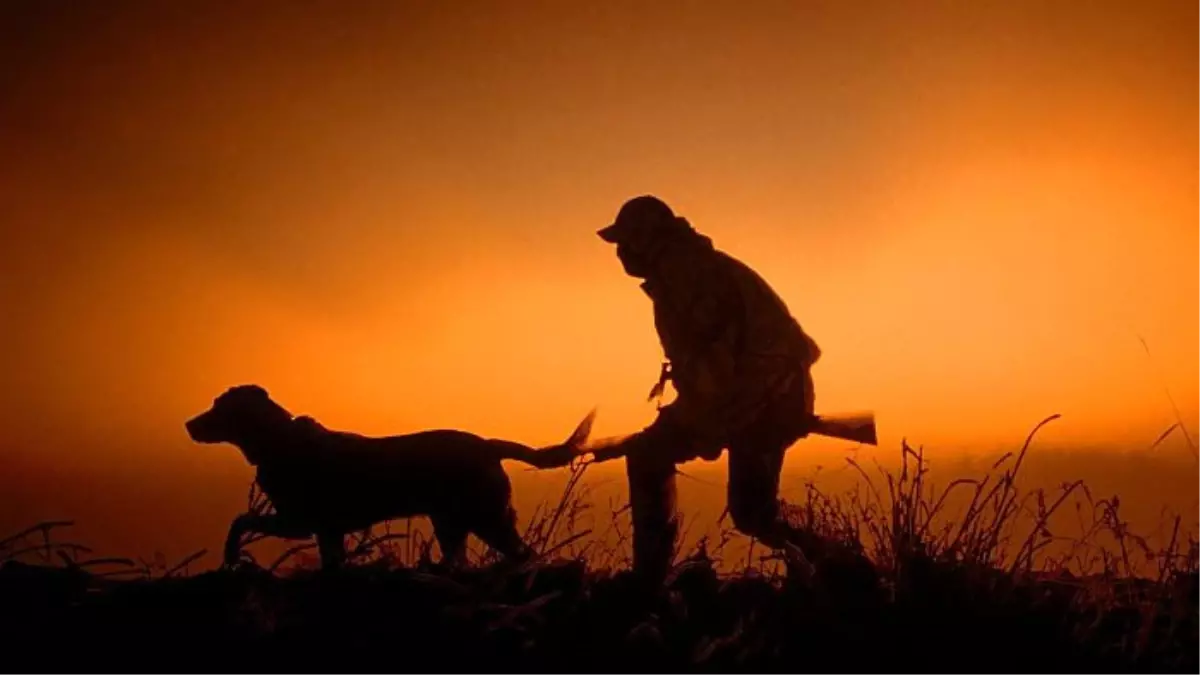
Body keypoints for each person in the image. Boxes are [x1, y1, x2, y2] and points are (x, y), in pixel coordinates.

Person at [587, 194, 826, 587]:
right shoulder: (681, 275)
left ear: (648, 239)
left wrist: (699, 425)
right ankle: (830, 566)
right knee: (745, 510)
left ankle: (836, 569)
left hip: (766, 399)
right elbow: (706, 371)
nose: (621, 254)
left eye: (626, 243)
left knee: (747, 513)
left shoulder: (694, 279)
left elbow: (720, 369)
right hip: (750, 396)